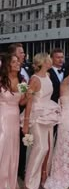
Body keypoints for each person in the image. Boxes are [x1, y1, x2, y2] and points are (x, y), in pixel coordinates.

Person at [44, 47, 69, 189]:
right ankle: (52, 170)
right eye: (58, 57)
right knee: (57, 143)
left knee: (67, 143)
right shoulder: (65, 82)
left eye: (62, 57)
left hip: (68, 117)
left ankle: (67, 168)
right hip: (60, 116)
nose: (61, 59)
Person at [22, 53, 61, 189]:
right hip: (37, 116)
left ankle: (42, 178)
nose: (51, 62)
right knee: (41, 148)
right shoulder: (34, 79)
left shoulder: (48, 76)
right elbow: (29, 101)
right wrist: (26, 122)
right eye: (48, 60)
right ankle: (30, 183)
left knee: (48, 148)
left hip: (48, 114)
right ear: (43, 62)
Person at [0, 54, 26, 189]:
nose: (18, 63)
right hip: (2, 118)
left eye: (18, 61)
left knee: (11, 154)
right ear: (7, 65)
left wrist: (29, 95)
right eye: (14, 62)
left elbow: (22, 101)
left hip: (14, 119)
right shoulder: (1, 80)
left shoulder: (23, 81)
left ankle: (8, 188)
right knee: (2, 153)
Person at [8, 43, 33, 181]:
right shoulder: (3, 76)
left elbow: (24, 97)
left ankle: (19, 170)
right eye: (21, 53)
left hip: (21, 112)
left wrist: (29, 96)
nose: (24, 55)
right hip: (5, 115)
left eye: (23, 53)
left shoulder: (24, 74)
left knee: (21, 144)